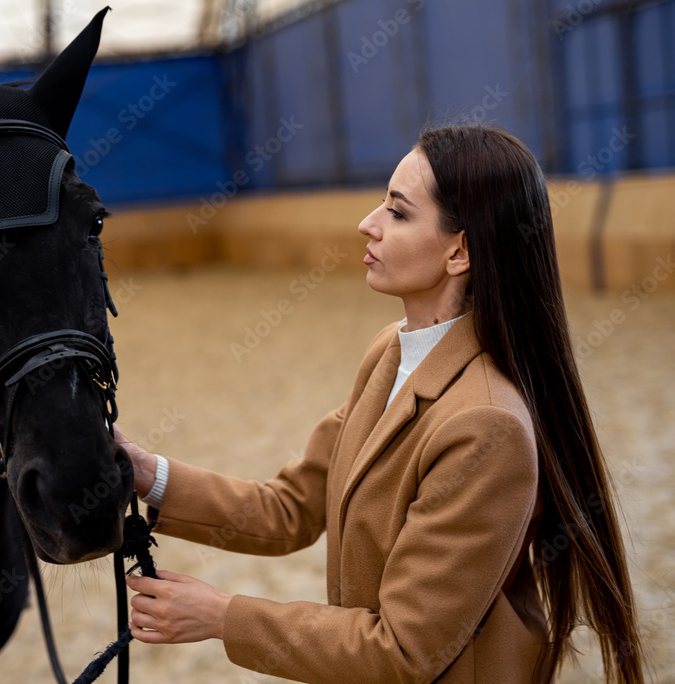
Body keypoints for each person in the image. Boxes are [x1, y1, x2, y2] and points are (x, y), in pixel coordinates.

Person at [116, 125, 645, 683]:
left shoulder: (487, 427)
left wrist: (224, 617)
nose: (367, 223)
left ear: (459, 251)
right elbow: (290, 508)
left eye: (397, 212)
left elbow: (403, 650)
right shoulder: (389, 353)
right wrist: (147, 474)